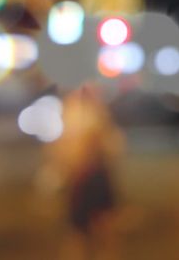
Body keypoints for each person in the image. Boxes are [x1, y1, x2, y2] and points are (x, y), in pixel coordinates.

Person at [45, 84, 124, 259]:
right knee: (80, 227)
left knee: (102, 223)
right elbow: (61, 148)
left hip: (94, 175)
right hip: (79, 176)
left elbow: (111, 145)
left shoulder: (96, 113)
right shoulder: (71, 112)